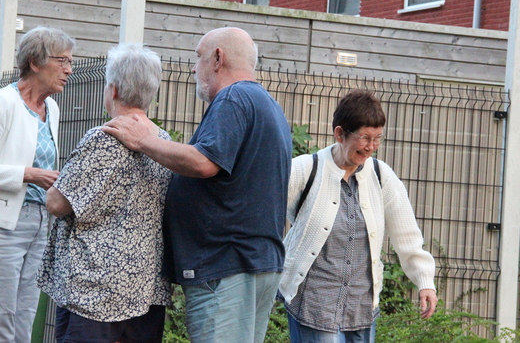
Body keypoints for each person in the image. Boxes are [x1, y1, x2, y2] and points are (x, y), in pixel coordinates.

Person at [102, 27, 293, 343]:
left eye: (198, 57)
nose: (194, 67)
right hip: (253, 263)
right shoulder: (266, 104)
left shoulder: (234, 97)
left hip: (226, 265)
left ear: (218, 58)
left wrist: (142, 140)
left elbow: (203, 162)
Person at [36, 43, 173, 343]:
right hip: (146, 288)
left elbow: (57, 203)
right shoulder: (163, 142)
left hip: (95, 291)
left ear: (112, 90)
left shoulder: (105, 137)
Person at [279, 89, 437, 343]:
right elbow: (264, 212)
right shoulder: (306, 169)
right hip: (315, 304)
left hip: (361, 308)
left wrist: (424, 280)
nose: (371, 147)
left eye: (377, 138)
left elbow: (406, 231)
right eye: (364, 137)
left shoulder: (381, 175)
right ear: (340, 133)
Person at [0, 26, 75, 343]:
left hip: (40, 224)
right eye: (62, 60)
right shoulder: (1, 104)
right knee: (0, 329)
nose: (69, 69)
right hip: (3, 226)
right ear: (35, 63)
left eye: (70, 61)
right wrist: (28, 174)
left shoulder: (52, 109)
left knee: (24, 328)